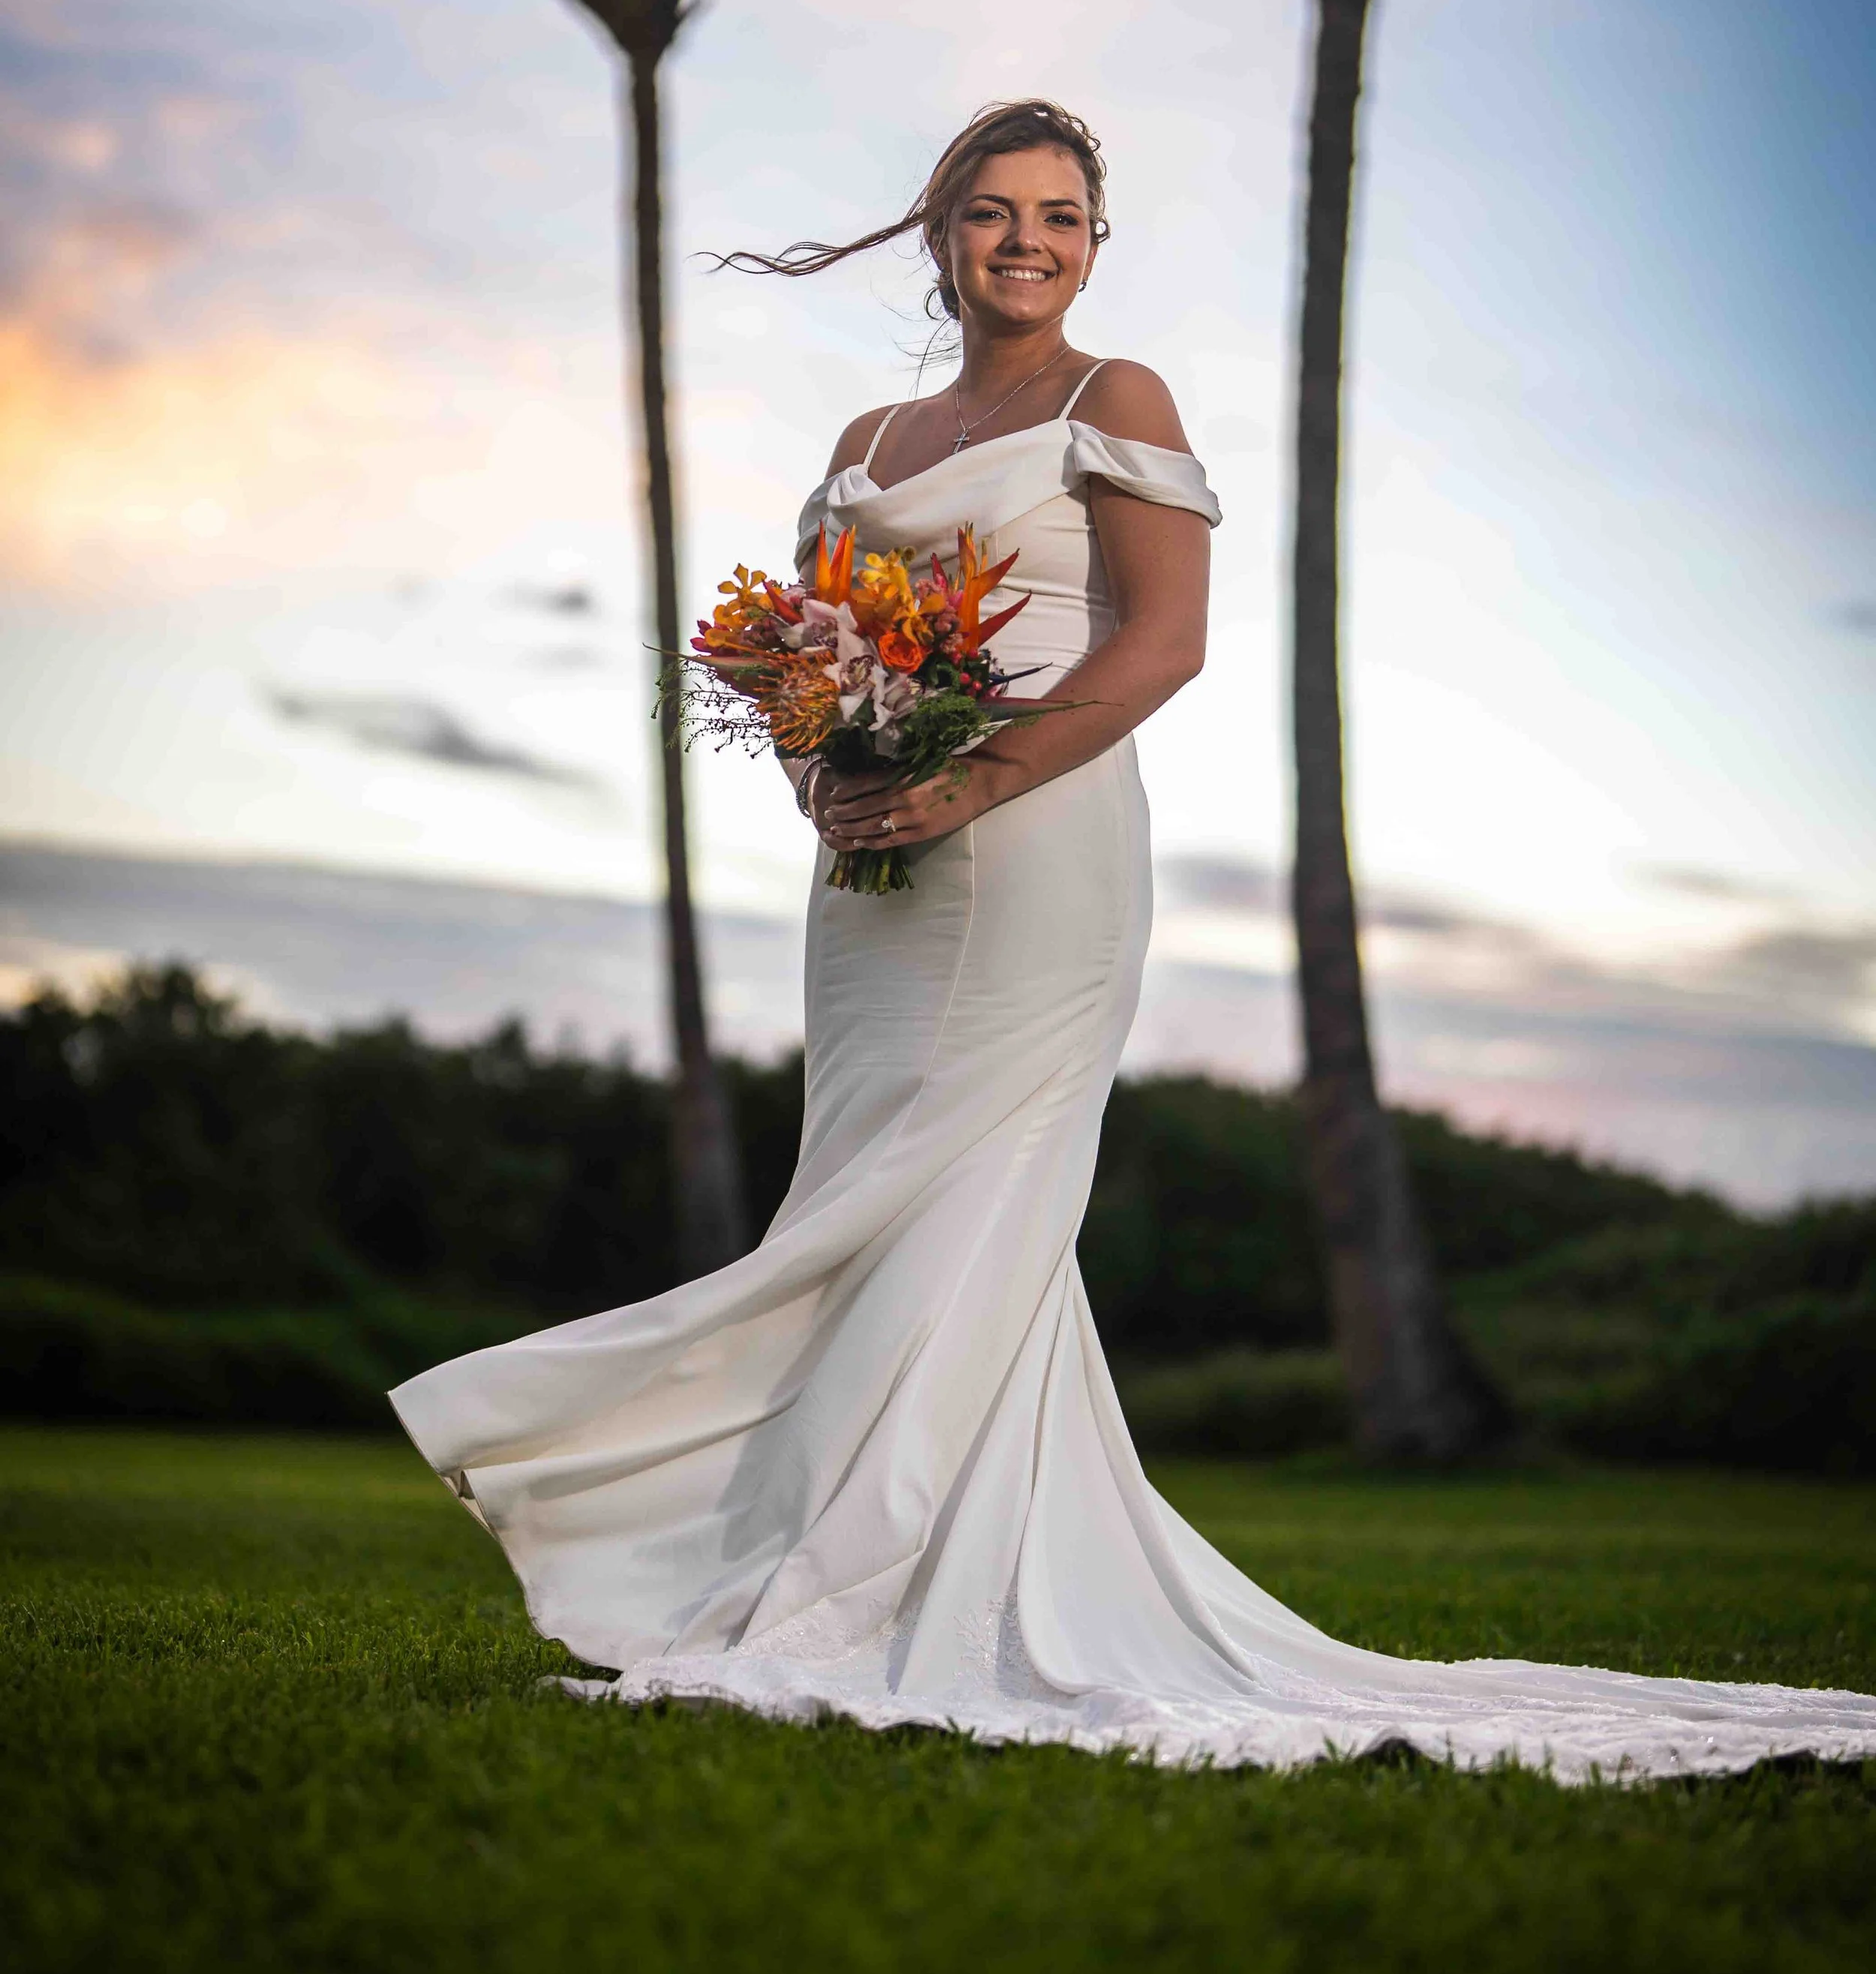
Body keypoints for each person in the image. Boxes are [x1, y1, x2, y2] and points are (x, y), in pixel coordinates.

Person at [392, 101, 1876, 1779]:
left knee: (961, 1198)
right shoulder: (871, 430)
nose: (1026, 240)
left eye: (1061, 215)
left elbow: (1160, 645)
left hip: (1039, 852)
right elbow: (803, 651)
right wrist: (827, 778)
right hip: (873, 889)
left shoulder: (1119, 402)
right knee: (869, 1195)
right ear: (935, 232)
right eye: (991, 212)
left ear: (1094, 240)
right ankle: (868, 1565)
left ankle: (790, 1554)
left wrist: (965, 784)